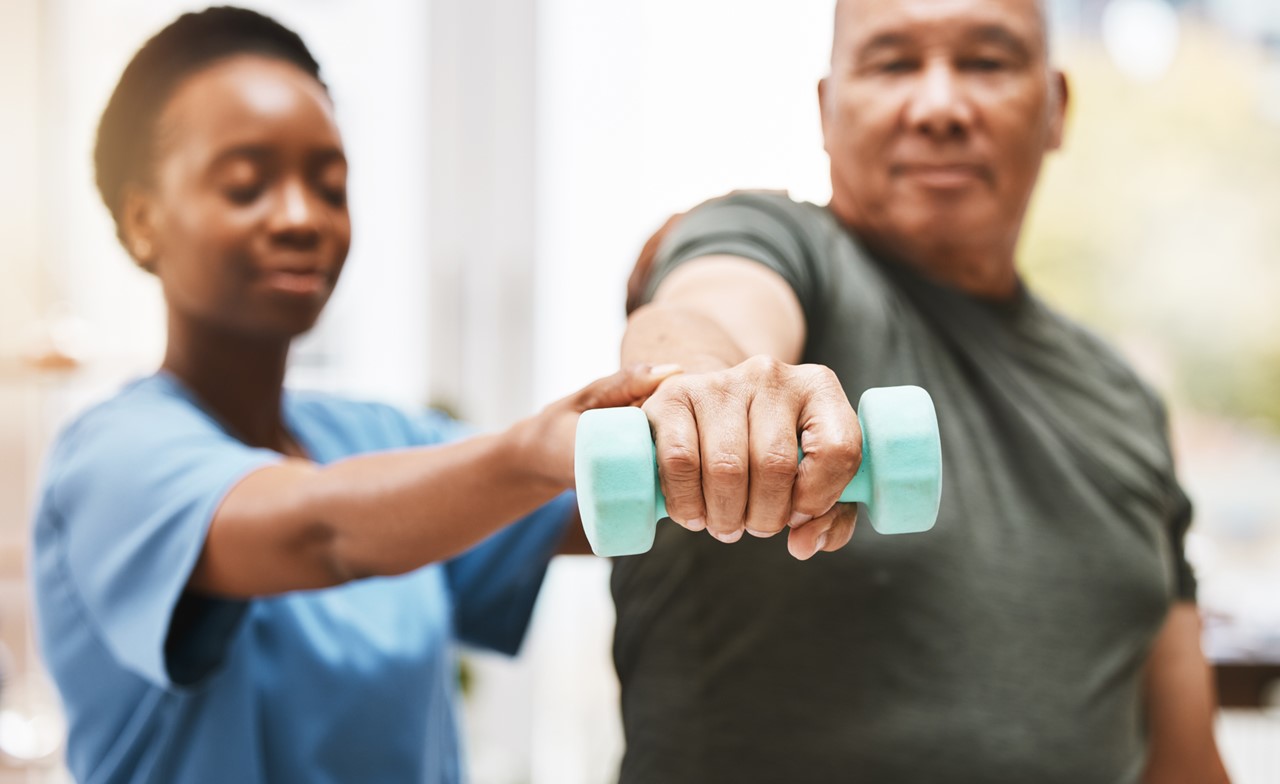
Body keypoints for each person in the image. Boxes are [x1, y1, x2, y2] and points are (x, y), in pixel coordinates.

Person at [30, 8, 675, 783]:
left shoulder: (378, 438)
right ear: (142, 221)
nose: (302, 217)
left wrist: (687, 302)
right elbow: (320, 531)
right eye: (246, 185)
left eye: (329, 186)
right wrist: (533, 449)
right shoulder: (111, 460)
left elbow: (616, 487)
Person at [613, 0, 1230, 782]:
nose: (939, 106)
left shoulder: (1125, 402)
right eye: (893, 62)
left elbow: (1186, 761)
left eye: (987, 61)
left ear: (1055, 108)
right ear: (826, 111)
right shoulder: (775, 243)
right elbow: (704, 311)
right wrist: (711, 393)